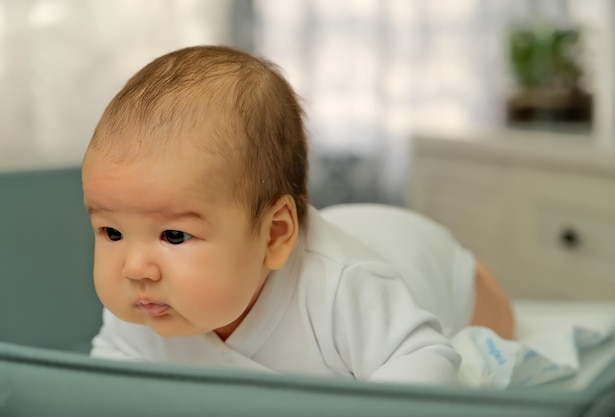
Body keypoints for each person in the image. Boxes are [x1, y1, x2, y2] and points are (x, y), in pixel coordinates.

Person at [83, 45, 514, 385]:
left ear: (273, 234)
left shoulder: (341, 290)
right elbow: (106, 385)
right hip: (351, 228)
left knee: (493, 336)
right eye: (112, 232)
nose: (135, 266)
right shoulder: (145, 305)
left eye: (174, 236)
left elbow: (425, 361)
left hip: (426, 258)